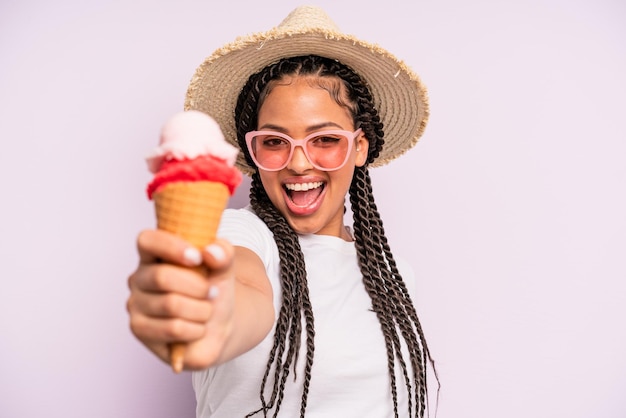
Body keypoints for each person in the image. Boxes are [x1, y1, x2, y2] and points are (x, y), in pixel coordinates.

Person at [127, 5, 437, 418]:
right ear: (253, 155)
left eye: (324, 139)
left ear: (359, 147)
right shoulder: (241, 234)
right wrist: (210, 315)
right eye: (274, 142)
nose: (299, 163)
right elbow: (241, 291)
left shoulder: (392, 272)